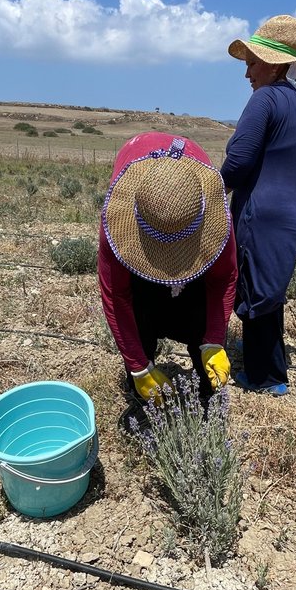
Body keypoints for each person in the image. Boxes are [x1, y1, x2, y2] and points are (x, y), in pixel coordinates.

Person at [221, 15, 296, 395]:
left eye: (251, 64)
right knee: (270, 288)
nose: (247, 75)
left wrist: (206, 197)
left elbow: (238, 162)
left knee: (257, 288)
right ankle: (266, 356)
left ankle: (266, 377)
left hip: (263, 214)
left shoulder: (266, 99)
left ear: (273, 64)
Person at [99, 132, 236, 404]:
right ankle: (143, 381)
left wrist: (214, 340)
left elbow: (224, 278)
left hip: (188, 226)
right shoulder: (114, 226)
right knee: (141, 313)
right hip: (143, 229)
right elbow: (117, 295)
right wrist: (138, 366)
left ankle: (206, 391)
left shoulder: (217, 219)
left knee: (199, 313)